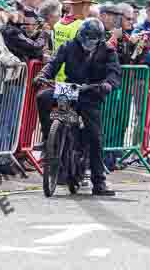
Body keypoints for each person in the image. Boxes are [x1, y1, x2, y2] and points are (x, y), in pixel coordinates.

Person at [34, 18, 120, 196]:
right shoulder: (69, 46)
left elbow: (114, 73)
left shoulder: (108, 51)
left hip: (91, 93)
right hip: (70, 90)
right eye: (85, 40)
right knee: (43, 97)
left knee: (95, 136)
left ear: (99, 40)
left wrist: (107, 85)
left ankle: (99, 181)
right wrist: (42, 75)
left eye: (92, 41)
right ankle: (49, 138)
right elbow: (53, 64)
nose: (87, 45)